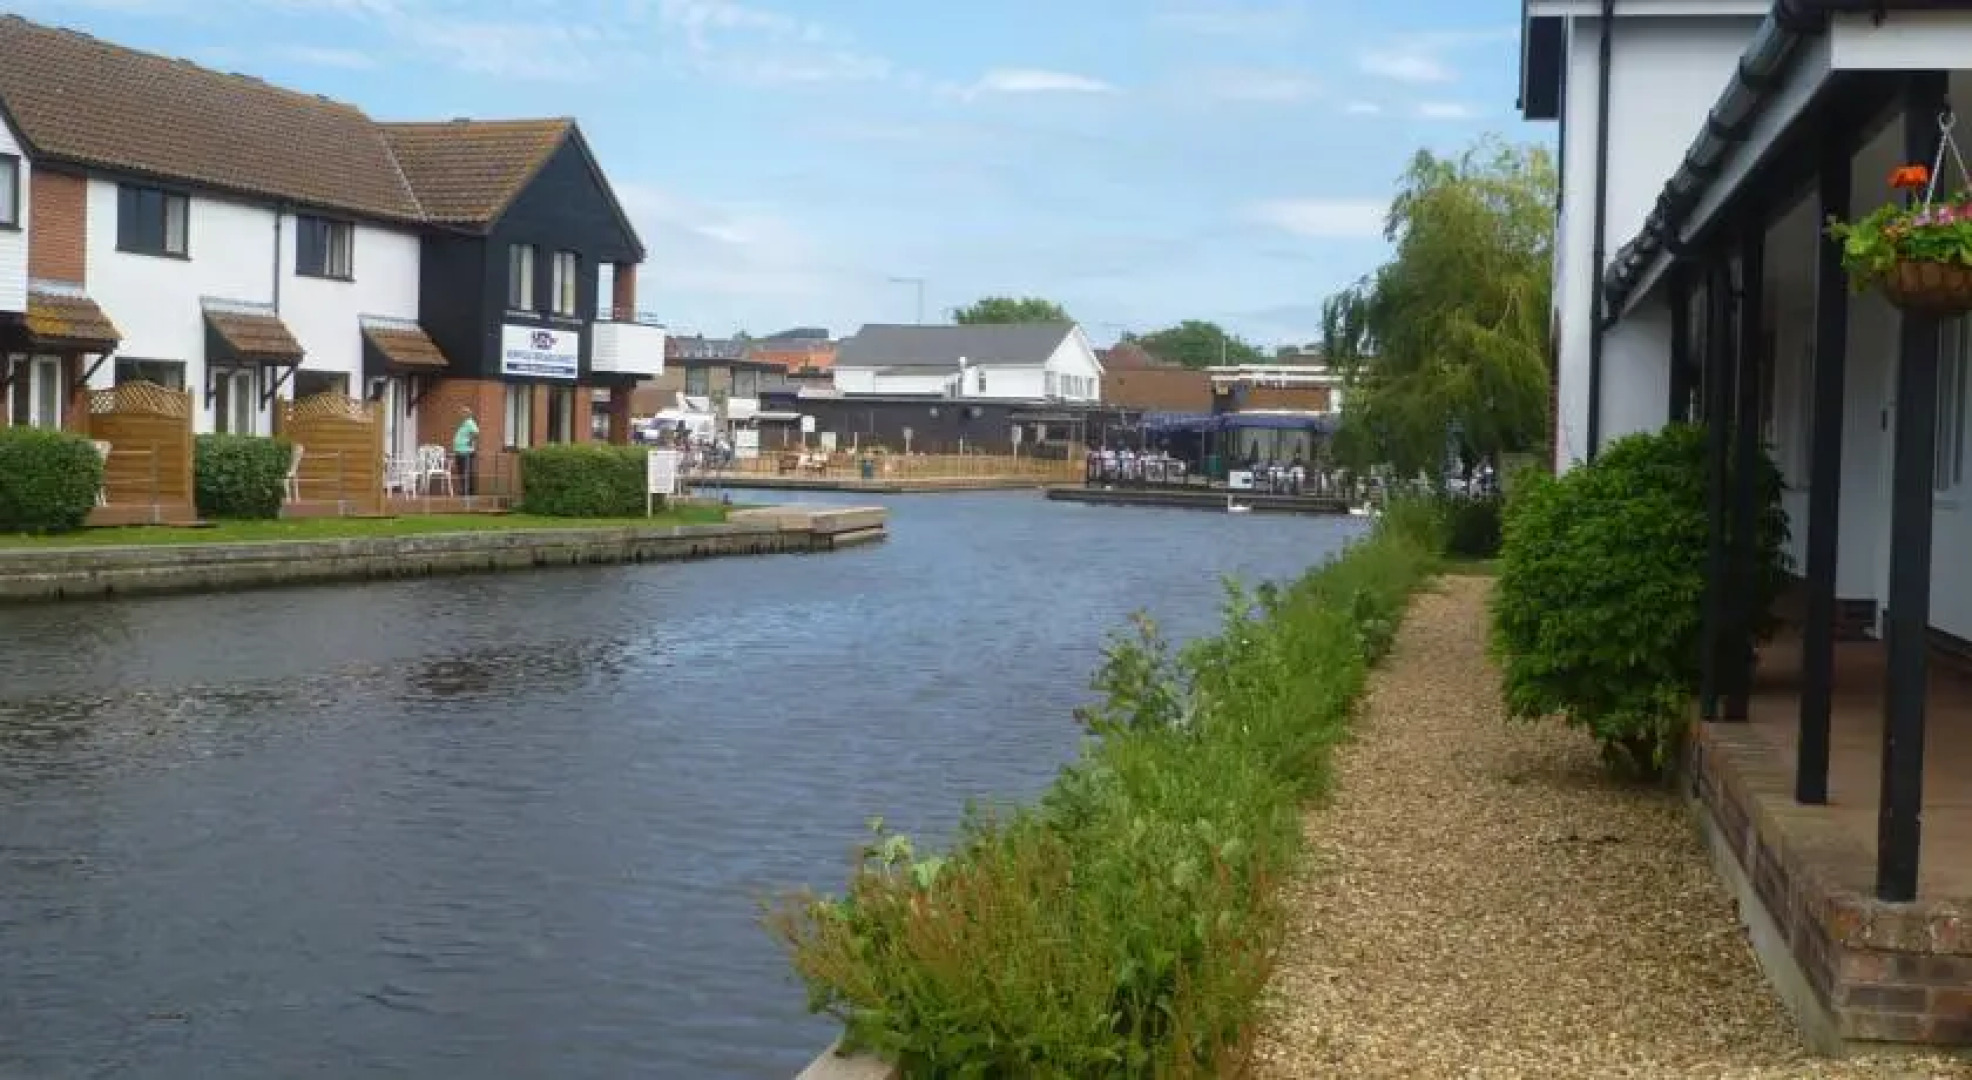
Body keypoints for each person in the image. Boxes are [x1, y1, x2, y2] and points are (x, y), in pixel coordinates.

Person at [452, 404, 479, 496]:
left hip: (466, 452)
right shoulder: (464, 423)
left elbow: (475, 433)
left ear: (467, 414)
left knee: (466, 471)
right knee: (461, 471)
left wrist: (469, 442)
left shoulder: (470, 422)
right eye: (461, 412)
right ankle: (465, 490)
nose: (461, 414)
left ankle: (468, 491)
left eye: (463, 412)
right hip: (460, 451)